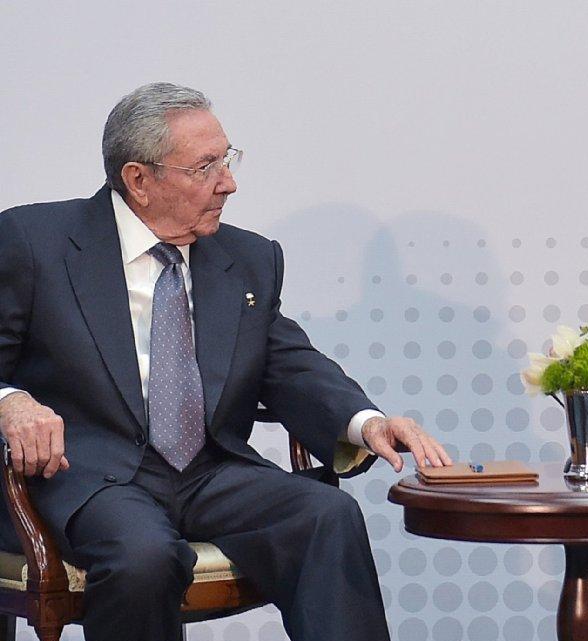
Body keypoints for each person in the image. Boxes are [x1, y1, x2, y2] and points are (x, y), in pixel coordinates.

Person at [0, 82, 452, 641]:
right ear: (139, 180)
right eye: (206, 166)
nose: (229, 183)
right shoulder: (36, 242)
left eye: (228, 159)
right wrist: (11, 401)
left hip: (209, 472)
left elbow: (289, 364)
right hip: (93, 477)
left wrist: (368, 422)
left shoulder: (248, 258)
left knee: (325, 517)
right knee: (144, 556)